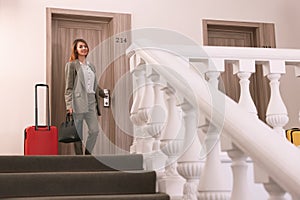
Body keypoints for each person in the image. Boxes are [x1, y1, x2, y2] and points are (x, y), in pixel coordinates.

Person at [64, 38, 106, 155]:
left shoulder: (91, 66)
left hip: (92, 101)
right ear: (76, 50)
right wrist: (69, 105)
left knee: (94, 130)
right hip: (78, 101)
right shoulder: (71, 65)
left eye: (85, 46)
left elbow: (94, 84)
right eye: (81, 47)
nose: (84, 48)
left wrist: (103, 93)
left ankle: (87, 155)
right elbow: (69, 87)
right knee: (78, 133)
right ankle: (79, 158)